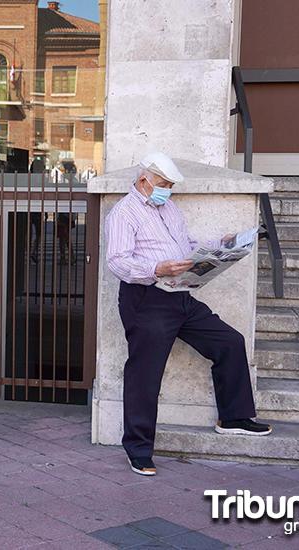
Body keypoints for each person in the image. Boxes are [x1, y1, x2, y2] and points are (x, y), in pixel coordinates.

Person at [104, 152, 271, 477]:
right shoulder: (124, 214)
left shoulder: (168, 207)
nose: (168, 190)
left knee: (229, 342)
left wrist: (220, 245)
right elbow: (117, 261)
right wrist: (156, 268)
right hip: (146, 299)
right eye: (164, 184)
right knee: (145, 373)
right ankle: (138, 450)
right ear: (144, 181)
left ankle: (233, 417)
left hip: (179, 295)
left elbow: (185, 245)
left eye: (170, 185)